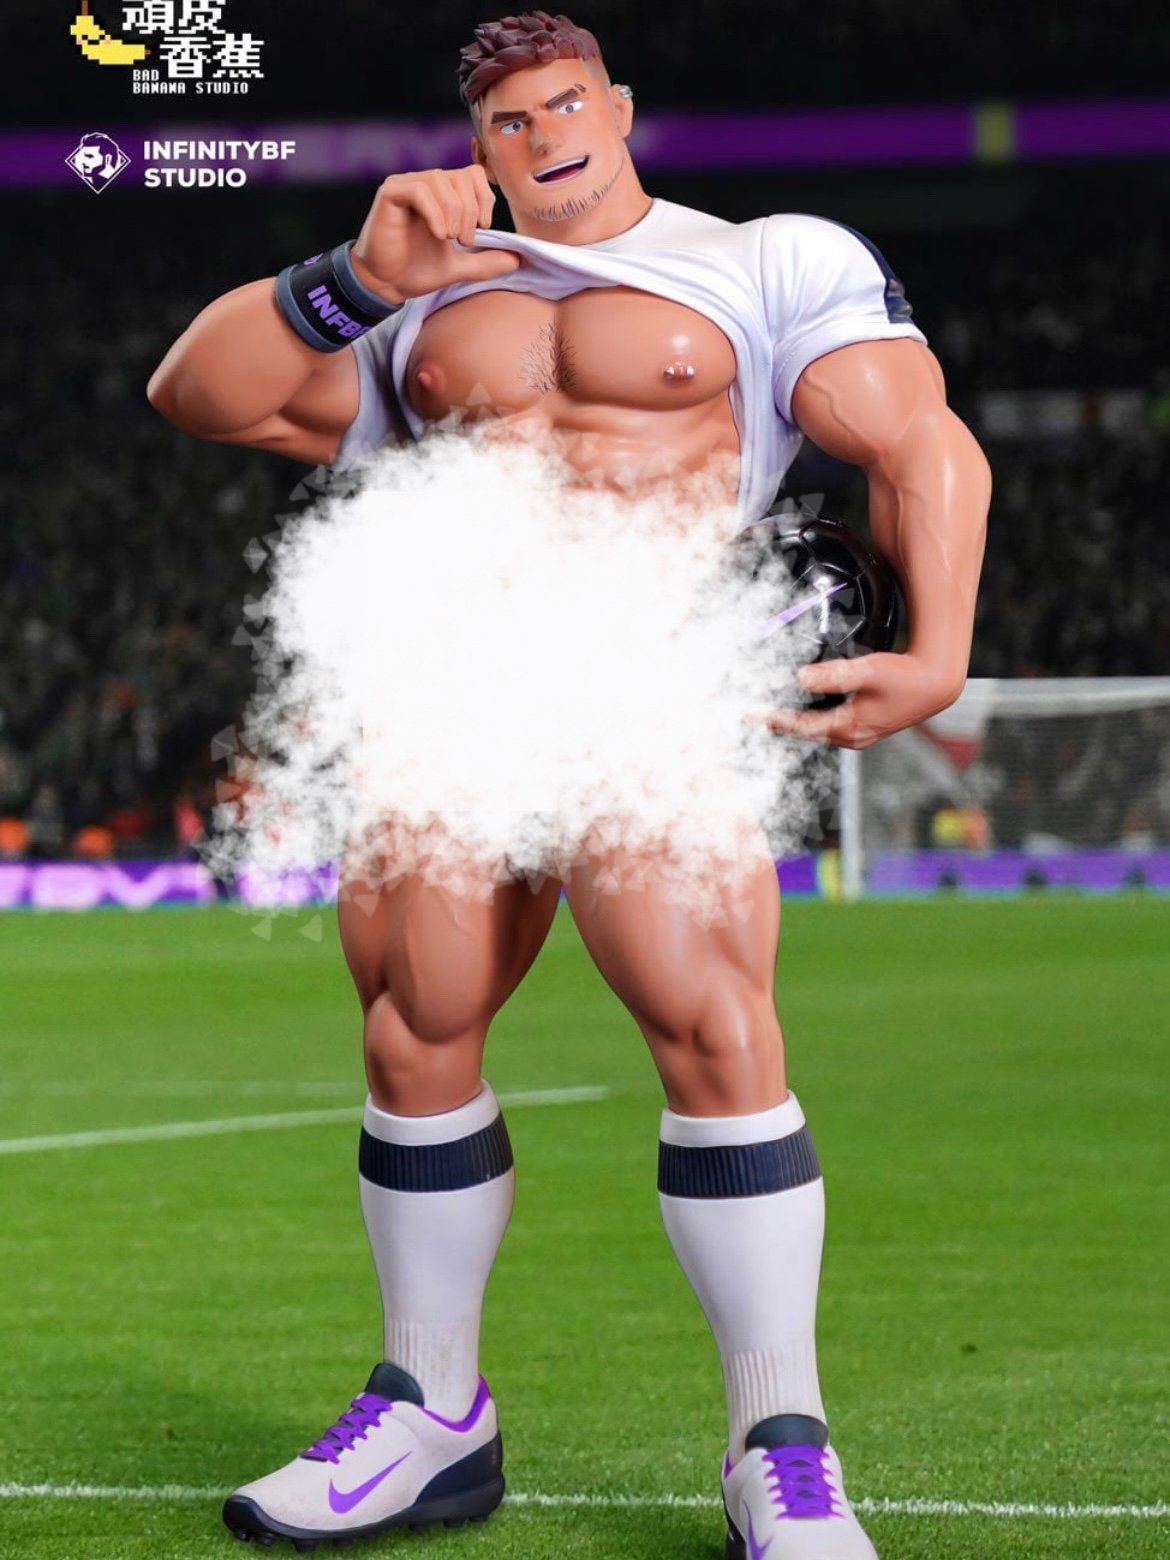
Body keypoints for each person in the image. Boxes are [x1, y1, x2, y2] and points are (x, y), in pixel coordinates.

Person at [148, 12, 990, 1556]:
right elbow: (198, 395)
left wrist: (935, 652)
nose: (542, 134)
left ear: (618, 107)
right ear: (477, 145)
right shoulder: (419, 292)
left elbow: (917, 442)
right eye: (508, 120)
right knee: (415, 1028)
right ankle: (430, 1414)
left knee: (711, 1027)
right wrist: (355, 280)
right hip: (454, 689)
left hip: (647, 681)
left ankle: (779, 1446)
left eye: (563, 102)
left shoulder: (761, 260)